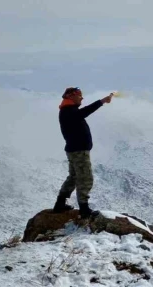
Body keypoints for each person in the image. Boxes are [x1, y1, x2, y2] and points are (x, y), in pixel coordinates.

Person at [52, 87, 114, 218]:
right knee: (85, 178)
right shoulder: (68, 111)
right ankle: (84, 209)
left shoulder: (68, 110)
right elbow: (84, 112)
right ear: (71, 96)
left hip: (74, 149)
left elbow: (81, 113)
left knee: (73, 177)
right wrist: (101, 101)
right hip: (79, 150)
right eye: (79, 95)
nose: (82, 98)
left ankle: (60, 203)